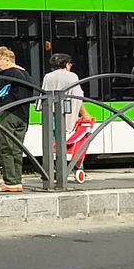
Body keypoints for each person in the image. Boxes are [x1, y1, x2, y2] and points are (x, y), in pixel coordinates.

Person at [0, 45, 38, 193]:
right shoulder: (25, 74)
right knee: (16, 149)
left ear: (7, 59)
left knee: (6, 148)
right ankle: (17, 181)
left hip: (9, 114)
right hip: (23, 116)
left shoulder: (8, 73)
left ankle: (9, 182)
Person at [41, 52, 90, 183]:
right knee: (74, 142)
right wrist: (84, 114)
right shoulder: (72, 76)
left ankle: (53, 171)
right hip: (68, 114)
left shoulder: (48, 77)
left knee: (53, 144)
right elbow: (77, 97)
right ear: (67, 64)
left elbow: (43, 96)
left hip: (51, 114)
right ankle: (77, 169)